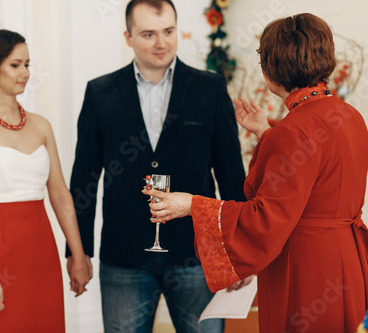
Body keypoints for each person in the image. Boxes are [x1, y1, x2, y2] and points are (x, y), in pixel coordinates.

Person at [144, 13, 368, 332]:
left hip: (307, 266)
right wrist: (267, 134)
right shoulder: (349, 115)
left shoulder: (294, 129)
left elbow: (265, 219)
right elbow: (321, 171)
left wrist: (192, 205)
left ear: (273, 68)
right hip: (350, 257)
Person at [66, 0, 248, 331]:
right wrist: (78, 253)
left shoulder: (209, 88)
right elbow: (84, 180)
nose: (161, 43)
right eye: (148, 34)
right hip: (124, 258)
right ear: (128, 37)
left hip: (197, 254)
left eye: (168, 32)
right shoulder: (100, 93)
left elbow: (231, 174)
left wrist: (238, 250)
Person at [0, 29, 90, 332]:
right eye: (16, 65)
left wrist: (78, 255)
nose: (25, 73)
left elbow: (60, 195)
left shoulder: (41, 125)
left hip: (40, 253)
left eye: (27, 64)